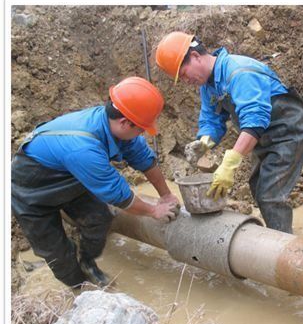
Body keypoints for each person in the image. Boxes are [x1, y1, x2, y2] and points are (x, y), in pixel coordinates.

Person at [11, 76, 179, 288]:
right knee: (59, 255)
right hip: (31, 190)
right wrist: (154, 211)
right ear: (125, 123)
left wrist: (165, 195)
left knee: (100, 218)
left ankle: (88, 262)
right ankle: (80, 288)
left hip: (70, 179)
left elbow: (145, 160)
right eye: (142, 128)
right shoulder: (83, 147)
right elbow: (121, 197)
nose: (144, 132)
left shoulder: (118, 128)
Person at [155, 32, 303, 234]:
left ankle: (281, 248)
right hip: (264, 136)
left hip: (286, 131)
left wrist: (230, 163)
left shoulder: (238, 73)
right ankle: (274, 231)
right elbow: (212, 118)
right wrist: (205, 141)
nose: (185, 81)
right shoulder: (209, 84)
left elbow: (255, 120)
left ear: (194, 56)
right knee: (257, 185)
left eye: (183, 73)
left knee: (270, 194)